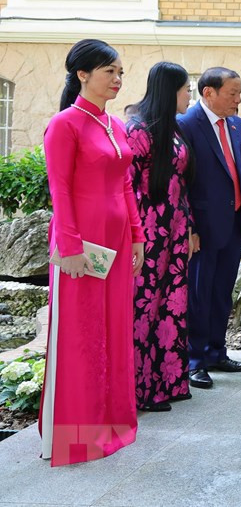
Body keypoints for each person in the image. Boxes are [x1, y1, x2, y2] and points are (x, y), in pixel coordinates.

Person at [41, 39, 145, 466]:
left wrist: (137, 235)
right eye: (109, 72)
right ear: (83, 75)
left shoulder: (115, 125)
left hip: (117, 243)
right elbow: (59, 189)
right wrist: (68, 246)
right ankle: (76, 438)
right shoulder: (64, 124)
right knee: (81, 337)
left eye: (120, 72)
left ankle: (113, 426)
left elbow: (124, 185)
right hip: (80, 244)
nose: (118, 80)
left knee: (114, 330)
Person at [177, 67, 241, 389]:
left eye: (239, 93)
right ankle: (194, 360)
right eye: (232, 93)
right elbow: (181, 183)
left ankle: (216, 351)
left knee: (222, 293)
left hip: (233, 225)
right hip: (202, 228)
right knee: (199, 294)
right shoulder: (186, 124)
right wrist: (189, 227)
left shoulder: (238, 126)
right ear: (208, 93)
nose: (238, 100)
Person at [126, 62, 198, 412]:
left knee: (173, 305)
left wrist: (191, 228)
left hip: (176, 230)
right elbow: (126, 186)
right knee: (145, 306)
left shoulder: (174, 129)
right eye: (186, 89)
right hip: (149, 232)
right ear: (170, 90)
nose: (190, 95)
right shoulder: (138, 129)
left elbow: (182, 185)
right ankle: (141, 390)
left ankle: (168, 382)